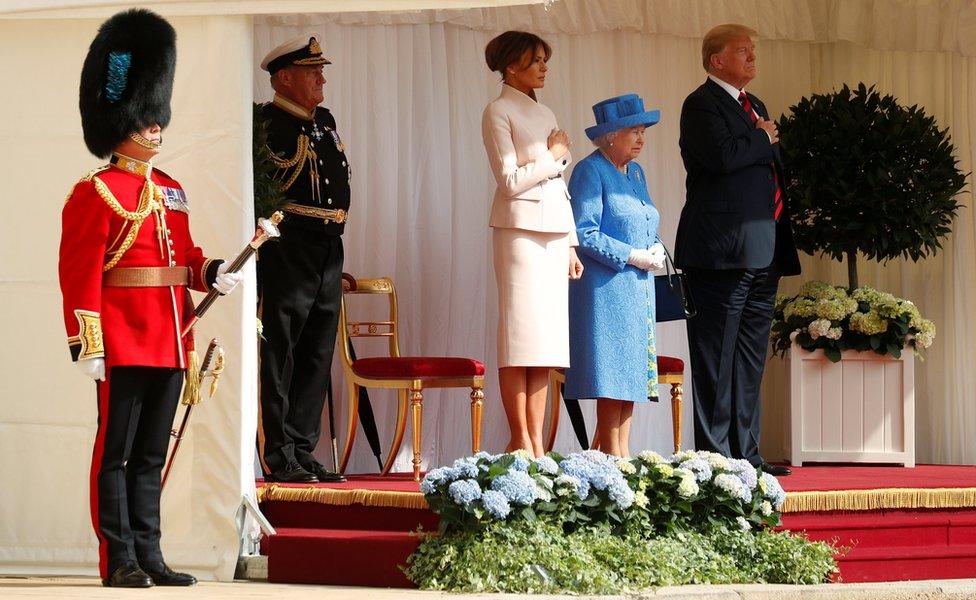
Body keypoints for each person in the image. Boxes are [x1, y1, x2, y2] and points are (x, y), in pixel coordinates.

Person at [60, 9, 243, 587]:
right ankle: (118, 559)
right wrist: (85, 342)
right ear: (123, 121)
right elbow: (79, 274)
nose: (157, 128)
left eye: (157, 117)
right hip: (119, 338)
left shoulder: (170, 189)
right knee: (113, 454)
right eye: (146, 118)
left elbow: (184, 259)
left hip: (171, 339)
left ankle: (150, 553)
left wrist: (212, 271)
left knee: (150, 455)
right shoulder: (94, 192)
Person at [674, 24, 801, 476]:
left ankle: (747, 453)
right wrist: (762, 138)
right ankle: (715, 456)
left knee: (749, 356)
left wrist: (763, 138)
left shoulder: (757, 106)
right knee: (715, 354)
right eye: (742, 52)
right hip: (719, 252)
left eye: (753, 51)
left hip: (763, 249)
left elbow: (768, 168)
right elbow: (723, 159)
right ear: (716, 61)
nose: (752, 59)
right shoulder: (700, 104)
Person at [481, 31, 584, 457]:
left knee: (546, 342)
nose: (544, 67)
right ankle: (519, 437)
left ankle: (537, 441)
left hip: (555, 233)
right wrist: (553, 154)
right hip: (520, 232)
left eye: (545, 59)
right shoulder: (497, 111)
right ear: (510, 65)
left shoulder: (547, 111)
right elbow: (509, 182)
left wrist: (572, 243)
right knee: (519, 338)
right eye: (535, 59)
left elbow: (557, 183)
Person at [256, 34, 349, 483]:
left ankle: (303, 447)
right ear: (284, 77)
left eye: (321, 70)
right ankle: (278, 453)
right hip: (289, 247)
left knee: (317, 351)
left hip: (329, 247)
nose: (321, 78)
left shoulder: (323, 121)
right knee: (282, 350)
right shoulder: (268, 123)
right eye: (312, 72)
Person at [564, 95, 665, 458]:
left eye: (643, 132)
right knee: (614, 373)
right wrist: (631, 255)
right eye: (633, 132)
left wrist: (653, 248)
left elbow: (645, 218)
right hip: (606, 289)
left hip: (638, 288)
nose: (641, 139)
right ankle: (612, 459)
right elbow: (584, 231)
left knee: (633, 376)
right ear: (609, 136)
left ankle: (622, 455)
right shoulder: (590, 170)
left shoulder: (635, 173)